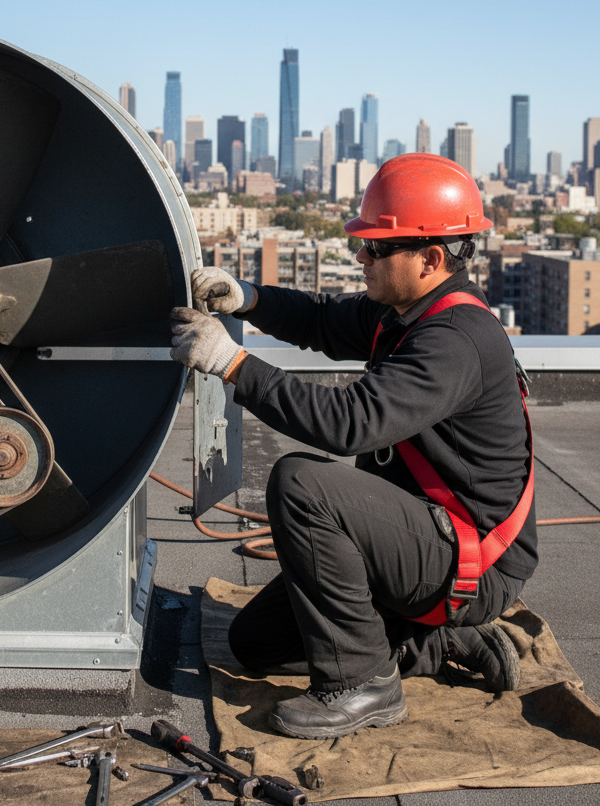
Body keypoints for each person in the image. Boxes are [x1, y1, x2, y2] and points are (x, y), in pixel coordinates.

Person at [170, 154, 535, 739]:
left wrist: (230, 363)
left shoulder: (454, 340)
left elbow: (350, 423)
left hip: (471, 559)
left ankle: (365, 683)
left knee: (302, 483)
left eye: (375, 249)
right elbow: (322, 320)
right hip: (425, 539)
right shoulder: (407, 311)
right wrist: (249, 297)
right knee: (255, 643)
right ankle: (430, 644)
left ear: (430, 258)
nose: (360, 257)